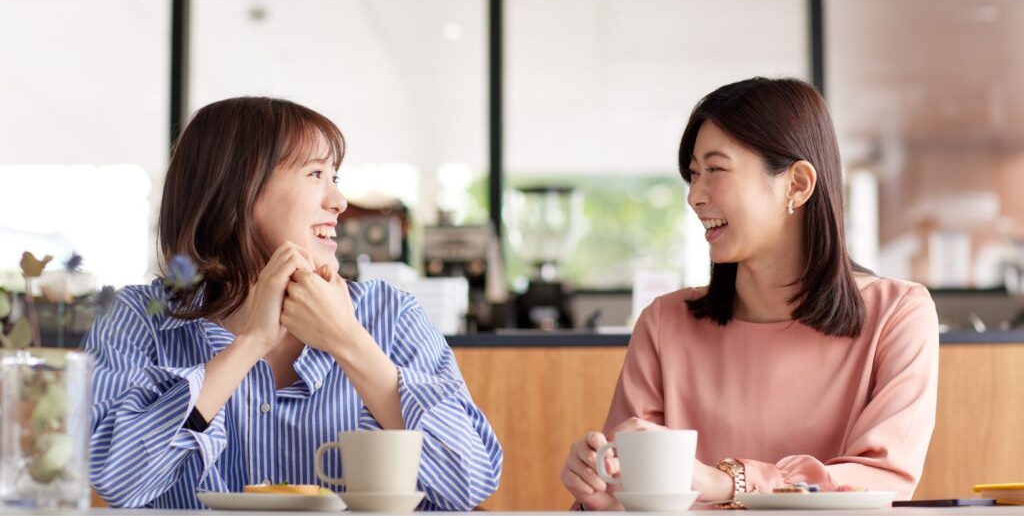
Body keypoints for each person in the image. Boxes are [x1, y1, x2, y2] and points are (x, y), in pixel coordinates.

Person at [86, 97, 502, 510]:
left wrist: (347, 340)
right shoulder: (139, 321)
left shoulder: (390, 317)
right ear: (239, 189)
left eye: (334, 176)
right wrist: (252, 342)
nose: (339, 202)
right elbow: (121, 481)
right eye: (316, 173)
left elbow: (469, 481)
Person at [561, 77, 939, 509]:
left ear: (796, 184)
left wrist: (727, 482)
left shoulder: (898, 315)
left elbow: (880, 482)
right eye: (693, 175)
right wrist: (595, 490)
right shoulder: (665, 323)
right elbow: (634, 497)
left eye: (716, 170)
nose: (694, 197)